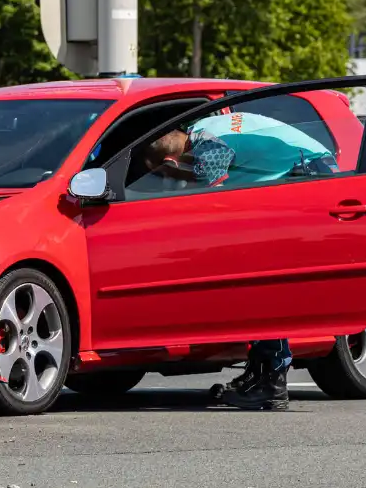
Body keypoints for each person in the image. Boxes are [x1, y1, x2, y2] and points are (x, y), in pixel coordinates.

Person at [141, 110, 336, 411]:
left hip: (310, 179)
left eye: (162, 174)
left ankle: (271, 383)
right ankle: (261, 375)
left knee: (260, 283)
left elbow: (216, 202)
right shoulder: (204, 127)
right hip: (308, 173)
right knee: (256, 278)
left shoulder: (208, 148)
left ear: (170, 162)